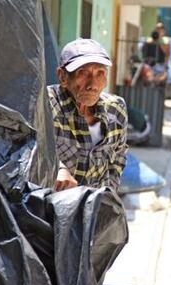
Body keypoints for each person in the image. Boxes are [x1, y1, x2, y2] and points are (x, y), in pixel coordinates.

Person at [47, 38, 128, 191]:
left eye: (100, 73)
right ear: (63, 77)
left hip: (94, 208)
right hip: (51, 208)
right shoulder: (45, 104)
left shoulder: (116, 109)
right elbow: (30, 149)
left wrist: (107, 197)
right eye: (83, 73)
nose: (93, 85)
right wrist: (57, 168)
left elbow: (118, 157)